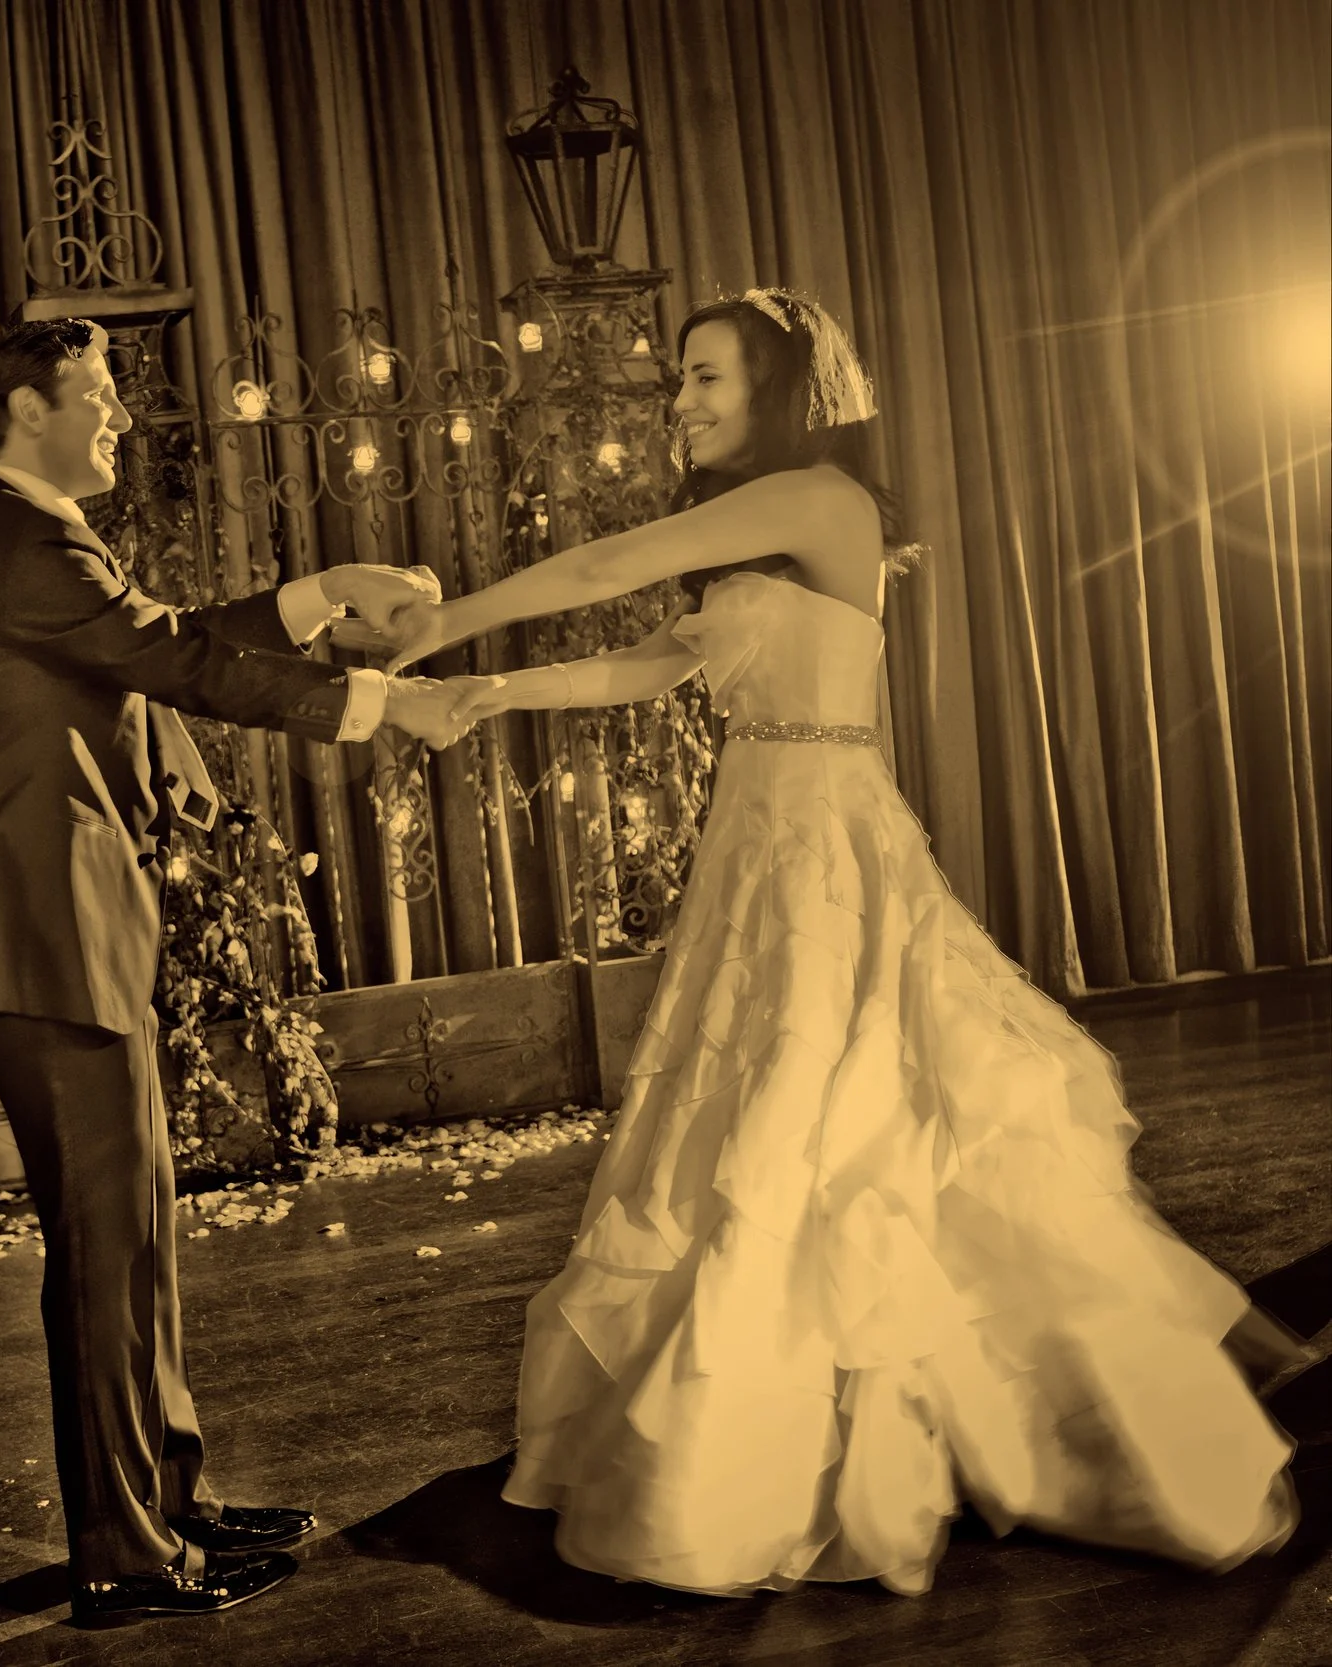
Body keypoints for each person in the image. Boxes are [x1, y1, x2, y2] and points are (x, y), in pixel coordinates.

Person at [381, 288, 1306, 1597]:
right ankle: (801, 1418)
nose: (682, 404)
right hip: (756, 847)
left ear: (782, 387)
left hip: (821, 847)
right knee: (756, 1134)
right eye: (679, 383)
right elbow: (648, 660)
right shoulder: (759, 540)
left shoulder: (820, 501)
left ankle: (782, 1447)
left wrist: (443, 622)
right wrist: (483, 691)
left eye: (706, 377)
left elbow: (603, 569)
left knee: (801, 1128)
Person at [0, 317, 504, 1621]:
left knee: (134, 1241)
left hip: (70, 934)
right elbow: (175, 659)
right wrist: (384, 703)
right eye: (96, 392)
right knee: (108, 1247)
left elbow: (165, 638)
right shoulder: (24, 543)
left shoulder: (33, 534)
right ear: (21, 412)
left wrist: (331, 586)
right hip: (44, 939)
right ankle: (127, 1557)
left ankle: (168, 1503)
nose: (117, 413)